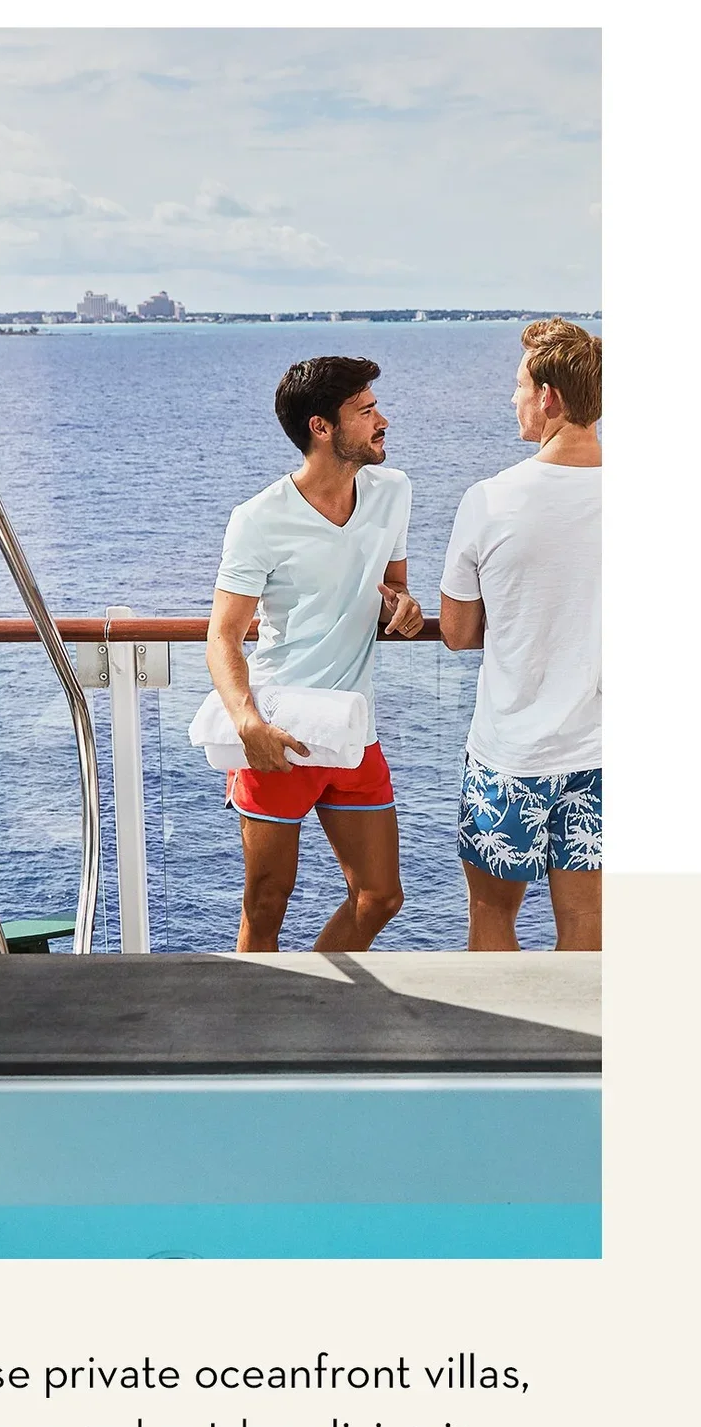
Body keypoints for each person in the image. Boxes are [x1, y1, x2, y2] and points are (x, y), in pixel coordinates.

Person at [206, 355, 424, 953]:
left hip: (354, 728)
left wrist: (398, 608)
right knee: (267, 903)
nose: (384, 420)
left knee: (380, 896)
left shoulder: (393, 491)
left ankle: (310, 1000)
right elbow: (223, 637)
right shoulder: (258, 519)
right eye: (367, 410)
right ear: (322, 428)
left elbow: (393, 587)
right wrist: (248, 724)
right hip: (278, 729)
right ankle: (256, 1036)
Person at [439, 318, 601, 951]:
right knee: (589, 931)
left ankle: (495, 1051)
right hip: (602, 751)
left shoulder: (491, 500)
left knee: (492, 918)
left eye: (518, 386)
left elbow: (456, 632)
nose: (513, 399)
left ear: (549, 398)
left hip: (511, 754)